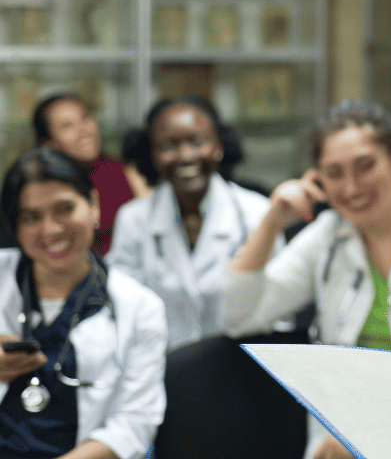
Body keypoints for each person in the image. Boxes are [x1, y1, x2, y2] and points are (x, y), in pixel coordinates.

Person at [223, 99, 391, 459]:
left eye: (365, 166)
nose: (351, 188)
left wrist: (370, 438)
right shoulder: (328, 237)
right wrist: (271, 223)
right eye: (333, 173)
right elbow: (237, 317)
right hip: (338, 442)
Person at [0, 148, 167, 459]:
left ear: (94, 206)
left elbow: (133, 425)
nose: (51, 229)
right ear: (15, 227)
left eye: (65, 208)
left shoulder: (140, 308)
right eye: (31, 217)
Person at [106, 95, 279, 351]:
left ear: (219, 144)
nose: (185, 156)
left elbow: (278, 307)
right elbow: (122, 306)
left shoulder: (257, 214)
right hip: (162, 367)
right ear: (151, 154)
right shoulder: (133, 219)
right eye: (169, 145)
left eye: (197, 142)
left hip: (241, 365)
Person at [31, 94, 148, 256]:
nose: (84, 131)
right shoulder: (42, 187)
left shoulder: (126, 171)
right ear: (48, 143)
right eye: (67, 126)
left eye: (85, 118)